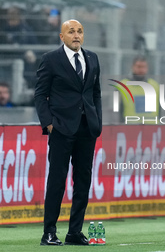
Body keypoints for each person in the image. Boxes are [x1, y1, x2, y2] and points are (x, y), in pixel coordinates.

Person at [34, 19, 102, 246]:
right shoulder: (51, 59)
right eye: (71, 31)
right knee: (57, 180)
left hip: (86, 129)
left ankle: (74, 232)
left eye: (80, 31)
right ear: (61, 37)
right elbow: (40, 94)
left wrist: (97, 122)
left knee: (83, 181)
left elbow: (96, 94)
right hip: (61, 128)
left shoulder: (92, 58)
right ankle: (49, 232)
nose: (76, 35)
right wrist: (49, 123)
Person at [120, 56, 159, 124]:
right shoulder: (122, 86)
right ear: (132, 67)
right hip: (130, 128)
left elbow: (160, 109)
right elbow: (118, 110)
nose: (141, 70)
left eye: (144, 67)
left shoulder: (155, 85)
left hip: (152, 128)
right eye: (138, 66)